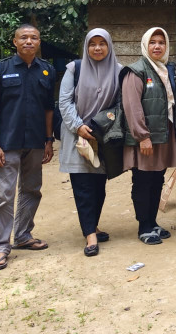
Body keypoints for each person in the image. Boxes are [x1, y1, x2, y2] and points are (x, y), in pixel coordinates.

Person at [0, 24, 55, 270]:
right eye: (23, 37)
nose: (29, 41)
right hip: (8, 143)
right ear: (14, 42)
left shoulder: (47, 71)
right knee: (5, 194)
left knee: (32, 189)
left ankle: (23, 235)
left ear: (39, 41)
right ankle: (2, 245)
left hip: (36, 142)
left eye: (34, 37)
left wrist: (49, 140)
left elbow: (48, 109)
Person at [58, 28, 121, 256]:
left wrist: (102, 125)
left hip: (102, 136)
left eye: (101, 43)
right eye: (92, 44)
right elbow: (64, 102)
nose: (97, 48)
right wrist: (79, 126)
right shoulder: (74, 68)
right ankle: (90, 237)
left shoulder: (119, 71)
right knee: (83, 186)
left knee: (99, 187)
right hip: (78, 137)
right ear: (86, 46)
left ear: (109, 46)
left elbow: (120, 104)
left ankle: (92, 225)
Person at [122, 27, 176, 245]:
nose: (157, 46)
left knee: (157, 179)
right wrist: (142, 136)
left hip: (163, 134)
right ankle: (143, 226)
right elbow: (132, 106)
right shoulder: (136, 71)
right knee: (143, 180)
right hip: (145, 138)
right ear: (145, 45)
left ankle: (153, 222)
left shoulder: (164, 70)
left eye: (161, 42)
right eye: (153, 42)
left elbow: (171, 105)